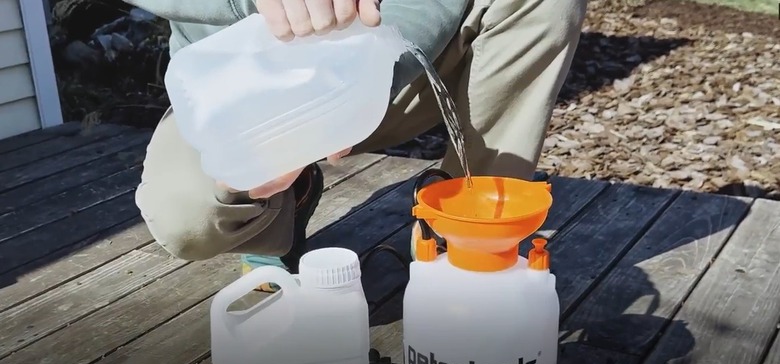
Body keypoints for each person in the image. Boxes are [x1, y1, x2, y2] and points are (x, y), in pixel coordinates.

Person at [125, 0, 586, 278]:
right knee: (190, 220)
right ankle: (278, 212)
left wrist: (357, 74)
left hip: (387, 65)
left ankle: (469, 226)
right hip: (232, 85)